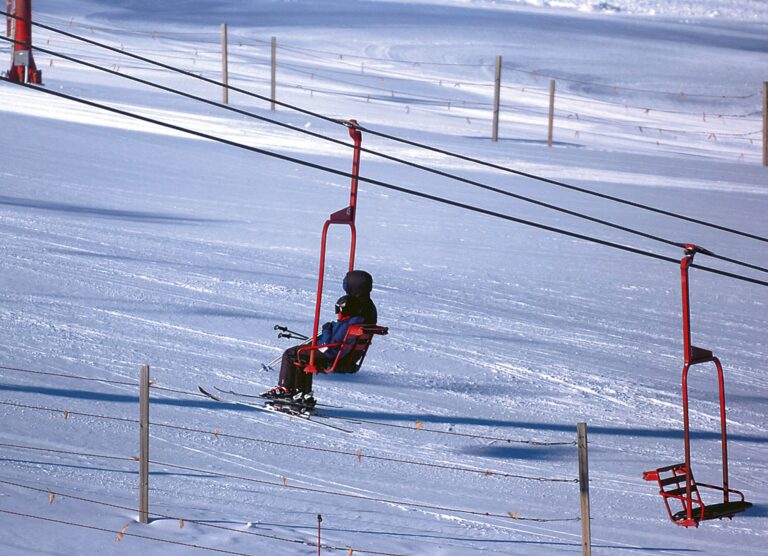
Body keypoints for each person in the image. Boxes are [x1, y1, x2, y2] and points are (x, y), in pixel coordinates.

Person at [261, 294, 365, 407]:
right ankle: (301, 392)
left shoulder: (346, 325)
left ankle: (284, 388)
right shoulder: (355, 322)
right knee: (302, 356)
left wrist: (326, 330)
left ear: (345, 310)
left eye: (339, 309)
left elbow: (327, 345)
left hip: (329, 353)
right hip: (336, 354)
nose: (338, 313)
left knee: (290, 353)